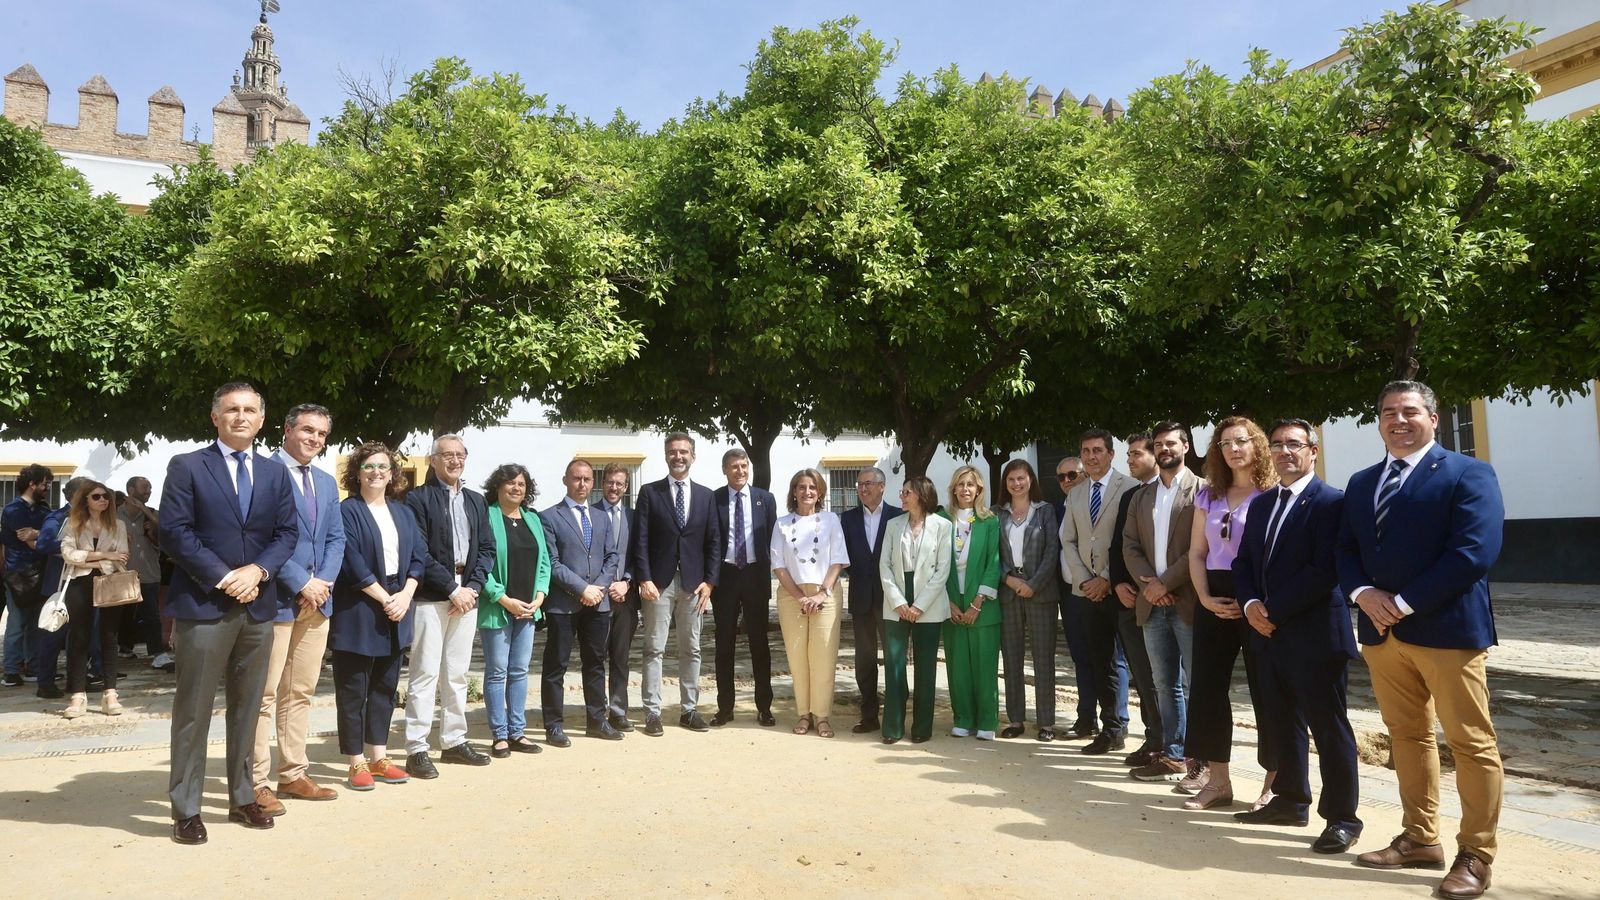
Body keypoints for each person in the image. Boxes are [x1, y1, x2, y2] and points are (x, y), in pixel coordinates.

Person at [1341, 381, 1505, 900]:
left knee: (1470, 743)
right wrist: (1364, 594)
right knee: (1406, 737)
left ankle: (1476, 854)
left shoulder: (1468, 473)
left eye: (1410, 411)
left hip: (1447, 631)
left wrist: (1402, 602)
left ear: (1434, 418)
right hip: (1382, 635)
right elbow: (1345, 550)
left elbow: (1473, 552)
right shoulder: (1363, 481)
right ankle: (1418, 838)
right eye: (1388, 411)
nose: (1398, 419)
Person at [160, 382, 299, 844]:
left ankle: (243, 797)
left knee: (248, 708)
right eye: (232, 409)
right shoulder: (187, 467)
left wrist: (257, 571)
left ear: (262, 420)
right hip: (205, 604)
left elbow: (286, 533)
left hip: (258, 606)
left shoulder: (275, 474)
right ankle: (186, 808)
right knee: (194, 710)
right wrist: (225, 577)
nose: (241, 416)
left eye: (250, 410)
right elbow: (175, 533)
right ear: (215, 416)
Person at [1232, 419, 1362, 855]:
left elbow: (1324, 569)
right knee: (1281, 721)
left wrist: (1272, 610)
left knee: (1329, 728)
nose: (1285, 451)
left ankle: (1343, 817)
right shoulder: (1264, 503)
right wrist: (1251, 605)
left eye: (1294, 444)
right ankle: (1291, 799)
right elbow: (1243, 562)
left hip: (1315, 635)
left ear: (1313, 451)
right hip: (1268, 633)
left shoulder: (1332, 503)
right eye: (1278, 444)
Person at [1180, 417, 1280, 810]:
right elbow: (1196, 553)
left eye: (1241, 441)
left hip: (1259, 595)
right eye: (1225, 443)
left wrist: (1258, 599)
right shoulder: (1209, 494)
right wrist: (1204, 598)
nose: (1234, 449)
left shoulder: (1272, 492)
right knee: (1206, 688)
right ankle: (1217, 781)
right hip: (1215, 595)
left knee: (1267, 689)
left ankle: (1274, 783)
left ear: (1256, 444)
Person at [251, 404, 346, 814]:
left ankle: (293, 774)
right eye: (307, 430)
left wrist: (321, 584)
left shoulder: (325, 483)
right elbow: (259, 538)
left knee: (301, 692)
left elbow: (336, 539)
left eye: (322, 434)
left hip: (317, 603)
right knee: (264, 695)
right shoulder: (262, 474)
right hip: (275, 599)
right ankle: (255, 782)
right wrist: (299, 581)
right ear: (287, 430)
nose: (314, 439)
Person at [330, 443, 427, 792]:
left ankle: (379, 757)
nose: (376, 472)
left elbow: (419, 556)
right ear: (357, 473)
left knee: (386, 687)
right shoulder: (347, 511)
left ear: (392, 474)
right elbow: (350, 560)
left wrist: (405, 595)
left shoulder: (403, 513)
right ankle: (355, 761)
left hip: (399, 602)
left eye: (383, 467)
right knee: (354, 688)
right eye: (369, 466)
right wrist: (387, 598)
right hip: (359, 604)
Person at [404, 434, 496, 777]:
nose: (454, 460)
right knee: (425, 672)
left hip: (467, 595)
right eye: (446, 455)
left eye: (459, 455)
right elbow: (420, 551)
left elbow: (486, 548)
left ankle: (454, 740)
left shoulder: (476, 501)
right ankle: (416, 747)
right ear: (433, 461)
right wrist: (450, 589)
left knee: (457, 674)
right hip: (431, 595)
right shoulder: (418, 499)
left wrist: (471, 588)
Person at [1121, 421, 1201, 783]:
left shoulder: (1203, 492)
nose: (1165, 449)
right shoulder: (1141, 497)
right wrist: (1150, 586)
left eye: (1171, 443)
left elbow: (1199, 550)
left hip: (1188, 601)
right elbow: (1130, 546)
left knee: (1196, 682)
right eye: (1159, 444)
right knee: (1163, 683)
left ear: (1186, 445)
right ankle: (1173, 755)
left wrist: (1164, 583)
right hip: (1151, 605)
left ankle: (1202, 761)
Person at [631, 432, 722, 735]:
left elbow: (713, 542)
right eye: (673, 451)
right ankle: (652, 712)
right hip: (658, 583)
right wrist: (643, 578)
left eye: (684, 452)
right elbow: (640, 539)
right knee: (654, 648)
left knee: (692, 649)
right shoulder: (649, 492)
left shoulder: (706, 496)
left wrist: (710, 582)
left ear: (692, 456)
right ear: (666, 455)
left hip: (694, 585)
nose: (678, 456)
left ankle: (689, 710)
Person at [1060, 429, 1136, 753]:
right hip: (1087, 593)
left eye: (1097, 450)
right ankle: (1111, 729)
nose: (1091, 456)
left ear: (1110, 454)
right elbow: (1069, 540)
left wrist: (1106, 578)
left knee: (1133, 663)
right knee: (1100, 660)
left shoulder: (1130, 489)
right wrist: (1085, 580)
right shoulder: (1076, 494)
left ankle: (1157, 738)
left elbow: (1131, 540)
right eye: (1086, 451)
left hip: (1120, 589)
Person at [541, 460, 621, 746]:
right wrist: (581, 588)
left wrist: (597, 587)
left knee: (596, 662)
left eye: (588, 479)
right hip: (563, 603)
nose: (583, 484)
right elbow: (551, 562)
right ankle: (553, 725)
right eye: (577, 479)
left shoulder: (601, 517)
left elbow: (612, 557)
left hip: (598, 603)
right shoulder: (549, 516)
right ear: (566, 480)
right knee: (556, 665)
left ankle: (597, 721)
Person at [769, 468, 849, 737]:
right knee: (797, 658)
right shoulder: (781, 523)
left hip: (826, 593)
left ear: (820, 492)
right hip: (791, 595)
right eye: (801, 487)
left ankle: (823, 716)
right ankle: (804, 714)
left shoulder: (830, 520)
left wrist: (821, 593)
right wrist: (800, 596)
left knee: (823, 657)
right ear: (794, 491)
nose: (807, 492)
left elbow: (838, 559)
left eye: (812, 487)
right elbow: (778, 565)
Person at [480, 463, 550, 754]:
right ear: (497, 486)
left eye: (521, 484)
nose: (516, 488)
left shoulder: (533, 519)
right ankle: (499, 734)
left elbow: (544, 560)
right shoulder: (487, 517)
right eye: (510, 483)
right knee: (497, 671)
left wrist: (540, 596)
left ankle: (518, 732)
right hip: (499, 607)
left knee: (520, 671)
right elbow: (479, 565)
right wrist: (503, 598)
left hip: (528, 608)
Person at [878, 475, 952, 745]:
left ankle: (922, 727)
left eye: (907, 492)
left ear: (921, 494)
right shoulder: (893, 525)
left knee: (926, 668)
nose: (902, 496)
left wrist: (919, 605)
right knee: (894, 665)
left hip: (928, 604)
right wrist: (898, 600)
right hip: (895, 600)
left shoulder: (943, 526)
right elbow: (884, 565)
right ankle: (893, 727)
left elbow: (942, 570)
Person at [995, 460, 1061, 740]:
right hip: (1008, 591)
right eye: (1011, 479)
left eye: (1021, 478)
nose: (1016, 484)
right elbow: (991, 553)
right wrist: (1008, 579)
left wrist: (1033, 584)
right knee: (1011, 659)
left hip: (1040, 592)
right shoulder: (997, 514)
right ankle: (1016, 720)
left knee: (1043, 658)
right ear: (1005, 483)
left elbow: (1052, 551)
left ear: (1030, 480)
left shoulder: (1045, 511)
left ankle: (1046, 723)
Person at [711, 449, 777, 726]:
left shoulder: (765, 499)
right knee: (723, 646)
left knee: (759, 644)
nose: (740, 471)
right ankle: (725, 708)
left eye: (744, 466)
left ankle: (764, 707)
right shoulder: (713, 499)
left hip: (754, 576)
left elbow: (774, 539)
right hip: (725, 578)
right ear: (725, 470)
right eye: (734, 467)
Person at [1108, 434, 1163, 765]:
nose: (1130, 459)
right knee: (1143, 676)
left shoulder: (1189, 490)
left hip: (1167, 599)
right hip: (1130, 602)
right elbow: (1120, 546)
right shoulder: (1131, 496)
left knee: (1169, 680)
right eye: (1128, 454)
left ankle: (1177, 744)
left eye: (1136, 453)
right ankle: (1153, 738)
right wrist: (1118, 584)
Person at [57, 481, 131, 718]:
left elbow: (122, 558)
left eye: (105, 496)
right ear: (85, 500)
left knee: (109, 637)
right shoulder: (73, 523)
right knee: (79, 636)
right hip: (80, 582)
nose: (103, 500)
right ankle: (78, 695)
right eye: (96, 496)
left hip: (110, 582)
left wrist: (91, 559)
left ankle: (110, 694)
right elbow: (68, 555)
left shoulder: (118, 525)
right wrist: (104, 555)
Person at [839, 467, 901, 734]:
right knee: (864, 660)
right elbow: (845, 557)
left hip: (891, 598)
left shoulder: (898, 516)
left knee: (893, 656)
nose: (863, 489)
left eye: (869, 484)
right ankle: (869, 716)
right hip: (861, 596)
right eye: (860, 485)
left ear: (882, 487)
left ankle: (895, 716)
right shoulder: (847, 519)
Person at [31, 476, 86, 698]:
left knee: (81, 636)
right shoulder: (57, 517)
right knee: (53, 635)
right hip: (59, 584)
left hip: (83, 583)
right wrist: (72, 546)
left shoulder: (92, 517)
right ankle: (45, 683)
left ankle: (77, 682)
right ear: (75, 495)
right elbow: (43, 544)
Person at [2, 464, 52, 688]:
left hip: (40, 572)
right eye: (44, 483)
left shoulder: (43, 510)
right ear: (32, 484)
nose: (48, 487)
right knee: (16, 623)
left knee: (35, 624)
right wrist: (44, 538)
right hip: (19, 574)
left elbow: (48, 538)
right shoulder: (13, 510)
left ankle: (33, 667)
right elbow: (30, 541)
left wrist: (41, 537)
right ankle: (11, 670)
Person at [597, 463, 638, 732]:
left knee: (620, 657)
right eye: (610, 482)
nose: (614, 487)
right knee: (596, 656)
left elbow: (640, 554)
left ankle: (618, 709)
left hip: (627, 597)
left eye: (619, 484)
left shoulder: (635, 517)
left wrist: (626, 582)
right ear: (603, 484)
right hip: (597, 596)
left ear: (626, 488)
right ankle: (597, 711)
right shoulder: (589, 514)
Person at [118, 477, 165, 664]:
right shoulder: (114, 515)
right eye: (145, 487)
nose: (149, 491)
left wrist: (146, 512)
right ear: (131, 489)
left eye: (150, 487)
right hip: (122, 574)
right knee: (124, 614)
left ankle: (157, 654)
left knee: (152, 614)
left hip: (148, 573)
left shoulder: (153, 514)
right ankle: (124, 647)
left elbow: (169, 533)